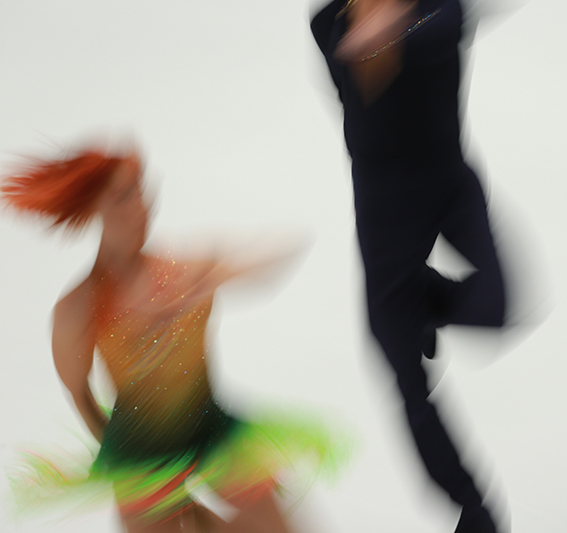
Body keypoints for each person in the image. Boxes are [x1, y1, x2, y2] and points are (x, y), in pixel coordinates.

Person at [2, 146, 343, 533]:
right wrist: (128, 465)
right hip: (140, 453)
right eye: (123, 196)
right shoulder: (77, 309)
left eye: (141, 190)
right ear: (95, 209)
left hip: (211, 430)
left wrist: (215, 279)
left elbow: (280, 249)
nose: (142, 206)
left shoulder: (184, 270)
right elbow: (80, 395)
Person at [311, 0, 513, 531]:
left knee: (495, 307)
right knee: (401, 366)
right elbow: (352, 90)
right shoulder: (328, 23)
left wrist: (394, 30)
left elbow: (443, 27)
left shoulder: (439, 9)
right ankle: (473, 510)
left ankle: (422, 303)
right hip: (384, 208)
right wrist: (373, 39)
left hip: (449, 186)